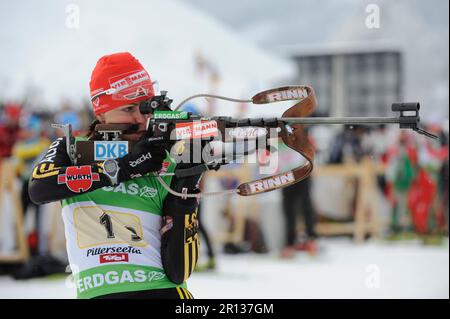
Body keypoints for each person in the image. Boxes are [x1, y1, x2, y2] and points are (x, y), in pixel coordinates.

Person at [29, 52, 202, 299]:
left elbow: (179, 271)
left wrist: (187, 188)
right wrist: (126, 166)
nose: (140, 119)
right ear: (101, 114)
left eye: (146, 108)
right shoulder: (72, 148)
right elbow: (40, 187)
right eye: (129, 108)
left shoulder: (166, 160)